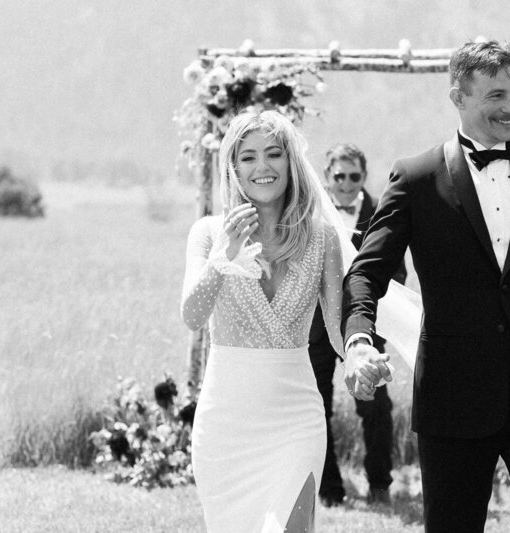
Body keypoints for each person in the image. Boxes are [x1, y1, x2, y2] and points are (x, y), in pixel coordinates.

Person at [342, 39, 510, 532]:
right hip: (453, 394)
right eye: (495, 96)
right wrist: (358, 339)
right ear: (458, 97)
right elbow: (367, 271)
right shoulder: (416, 178)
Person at [180, 110, 349, 532]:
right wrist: (223, 258)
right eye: (248, 157)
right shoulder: (207, 232)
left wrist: (361, 357)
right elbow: (192, 315)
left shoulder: (322, 238)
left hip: (295, 417)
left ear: (291, 163)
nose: (263, 167)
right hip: (227, 422)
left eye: (274, 154)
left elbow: (337, 326)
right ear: (233, 168)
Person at [308, 144, 406, 506]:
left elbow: (397, 270)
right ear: (327, 175)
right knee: (317, 406)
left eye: (354, 176)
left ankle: (380, 483)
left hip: (364, 328)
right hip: (317, 327)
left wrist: (369, 320)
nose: (347, 184)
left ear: (364, 177)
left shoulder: (382, 210)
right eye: (339, 176)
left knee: (377, 407)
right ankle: (330, 489)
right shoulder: (310, 212)